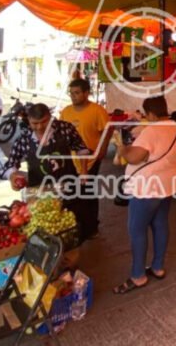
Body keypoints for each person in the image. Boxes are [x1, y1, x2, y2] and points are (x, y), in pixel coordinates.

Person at [113, 96, 176, 294]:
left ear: (152, 114)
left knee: (137, 229)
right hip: (168, 184)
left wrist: (122, 149)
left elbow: (134, 158)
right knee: (160, 223)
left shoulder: (152, 131)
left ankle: (138, 276)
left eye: (146, 115)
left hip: (147, 187)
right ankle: (158, 267)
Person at [8, 103, 95, 240]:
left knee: (71, 223)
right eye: (35, 123)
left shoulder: (65, 129)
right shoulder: (24, 138)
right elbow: (11, 164)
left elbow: (81, 149)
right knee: (44, 228)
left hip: (67, 185)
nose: (39, 127)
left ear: (50, 117)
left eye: (44, 122)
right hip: (39, 191)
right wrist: (13, 177)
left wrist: (84, 171)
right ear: (28, 120)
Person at [59, 79, 112, 240]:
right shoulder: (66, 112)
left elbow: (107, 130)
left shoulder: (97, 110)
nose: (73, 96)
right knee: (72, 193)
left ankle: (91, 227)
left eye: (77, 93)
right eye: (71, 93)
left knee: (88, 193)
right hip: (71, 160)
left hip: (91, 160)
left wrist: (102, 149)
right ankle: (76, 226)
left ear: (86, 93)